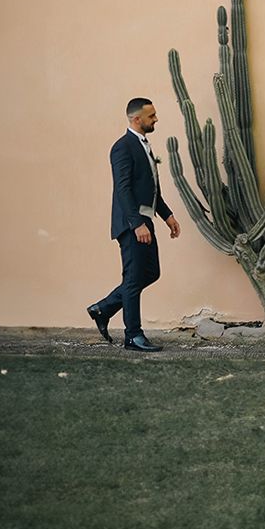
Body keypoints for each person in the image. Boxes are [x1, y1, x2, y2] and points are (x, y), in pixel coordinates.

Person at [87, 97, 181, 352]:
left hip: (144, 220)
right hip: (132, 224)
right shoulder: (123, 147)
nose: (156, 119)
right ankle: (133, 336)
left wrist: (167, 215)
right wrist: (136, 224)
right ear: (136, 119)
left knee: (150, 273)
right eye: (151, 116)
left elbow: (151, 189)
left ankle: (103, 309)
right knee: (133, 277)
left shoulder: (144, 146)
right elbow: (124, 188)